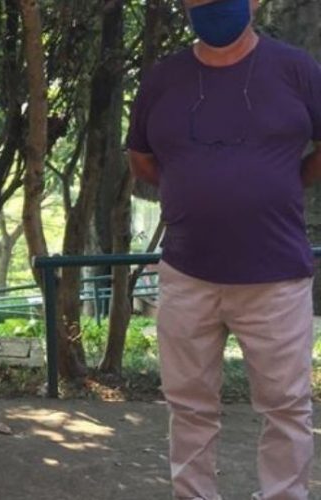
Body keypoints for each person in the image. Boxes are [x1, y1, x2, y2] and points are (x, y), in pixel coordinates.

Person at [128, 0, 321, 498]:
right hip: (188, 274)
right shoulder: (162, 79)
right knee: (188, 406)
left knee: (286, 407)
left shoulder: (297, 70)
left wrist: (280, 184)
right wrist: (198, 188)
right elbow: (142, 160)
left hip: (276, 276)